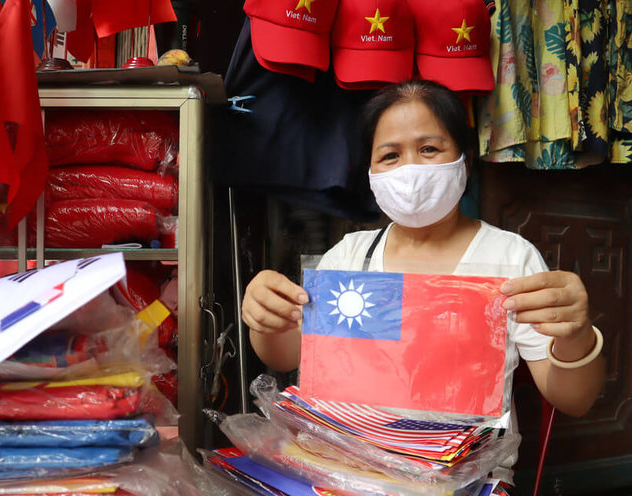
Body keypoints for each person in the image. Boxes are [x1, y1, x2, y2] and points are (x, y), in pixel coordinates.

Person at [242, 79, 605, 423]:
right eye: (390, 156)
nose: (410, 168)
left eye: (428, 149)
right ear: (370, 171)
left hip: (462, 474)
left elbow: (574, 399)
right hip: (351, 465)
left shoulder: (511, 259)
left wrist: (576, 336)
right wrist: (265, 318)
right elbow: (284, 354)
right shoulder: (351, 256)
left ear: (464, 158)